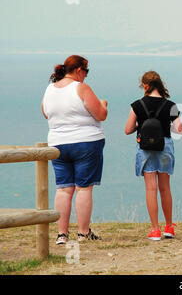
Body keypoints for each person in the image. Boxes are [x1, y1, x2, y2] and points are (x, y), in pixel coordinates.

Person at [41, 55, 108, 244]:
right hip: (86, 142)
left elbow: (46, 112)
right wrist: (103, 103)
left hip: (58, 143)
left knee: (63, 189)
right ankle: (83, 232)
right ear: (79, 70)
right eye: (86, 71)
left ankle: (62, 234)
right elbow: (100, 114)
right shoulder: (81, 88)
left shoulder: (49, 90)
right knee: (84, 188)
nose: (86, 76)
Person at [125, 71, 182, 240]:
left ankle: (155, 229)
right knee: (165, 188)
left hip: (145, 148)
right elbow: (179, 128)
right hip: (165, 146)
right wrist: (167, 126)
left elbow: (128, 129)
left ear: (145, 86)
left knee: (151, 188)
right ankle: (169, 227)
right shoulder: (171, 105)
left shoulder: (137, 105)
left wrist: (139, 126)